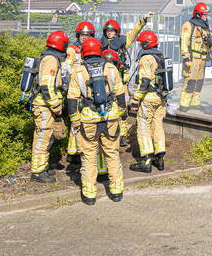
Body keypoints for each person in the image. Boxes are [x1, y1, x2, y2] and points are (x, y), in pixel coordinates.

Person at [67, 39, 126, 205]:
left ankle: (90, 194)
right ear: (100, 50)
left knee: (88, 157)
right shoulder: (111, 68)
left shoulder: (78, 71)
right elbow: (120, 94)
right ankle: (116, 191)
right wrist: (121, 114)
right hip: (110, 118)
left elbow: (72, 99)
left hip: (88, 120)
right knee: (112, 154)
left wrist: (75, 121)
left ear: (84, 52)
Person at [102, 13, 152, 146]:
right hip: (105, 83)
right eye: (107, 30)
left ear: (116, 32)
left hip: (121, 83)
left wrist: (142, 21)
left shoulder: (122, 43)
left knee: (122, 110)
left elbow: (133, 33)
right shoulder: (99, 45)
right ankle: (109, 134)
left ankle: (123, 136)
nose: (109, 33)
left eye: (112, 30)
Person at [30, 30, 70, 182]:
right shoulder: (51, 60)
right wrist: (56, 105)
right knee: (43, 137)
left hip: (45, 105)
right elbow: (46, 86)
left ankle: (43, 168)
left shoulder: (50, 58)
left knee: (46, 138)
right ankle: (38, 172)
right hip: (44, 106)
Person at [129, 30, 170, 173]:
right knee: (158, 125)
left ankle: (146, 161)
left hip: (149, 98)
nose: (140, 46)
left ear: (146, 44)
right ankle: (159, 159)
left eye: (141, 43)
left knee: (144, 127)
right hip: (161, 98)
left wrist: (135, 100)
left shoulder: (145, 59)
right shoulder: (160, 56)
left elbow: (145, 81)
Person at [64, 21, 96, 164]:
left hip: (87, 90)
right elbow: (66, 68)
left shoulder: (93, 49)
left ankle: (84, 149)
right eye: (82, 35)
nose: (85, 37)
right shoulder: (72, 50)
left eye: (87, 35)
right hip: (76, 88)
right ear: (78, 35)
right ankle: (73, 153)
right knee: (75, 121)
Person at [179, 2, 212, 109]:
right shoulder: (188, 25)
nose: (206, 16)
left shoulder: (206, 27)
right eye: (204, 14)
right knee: (190, 80)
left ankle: (195, 102)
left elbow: (211, 42)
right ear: (198, 14)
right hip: (192, 58)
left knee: (199, 81)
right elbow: (184, 41)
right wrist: (185, 56)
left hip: (203, 58)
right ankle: (184, 104)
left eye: (206, 14)